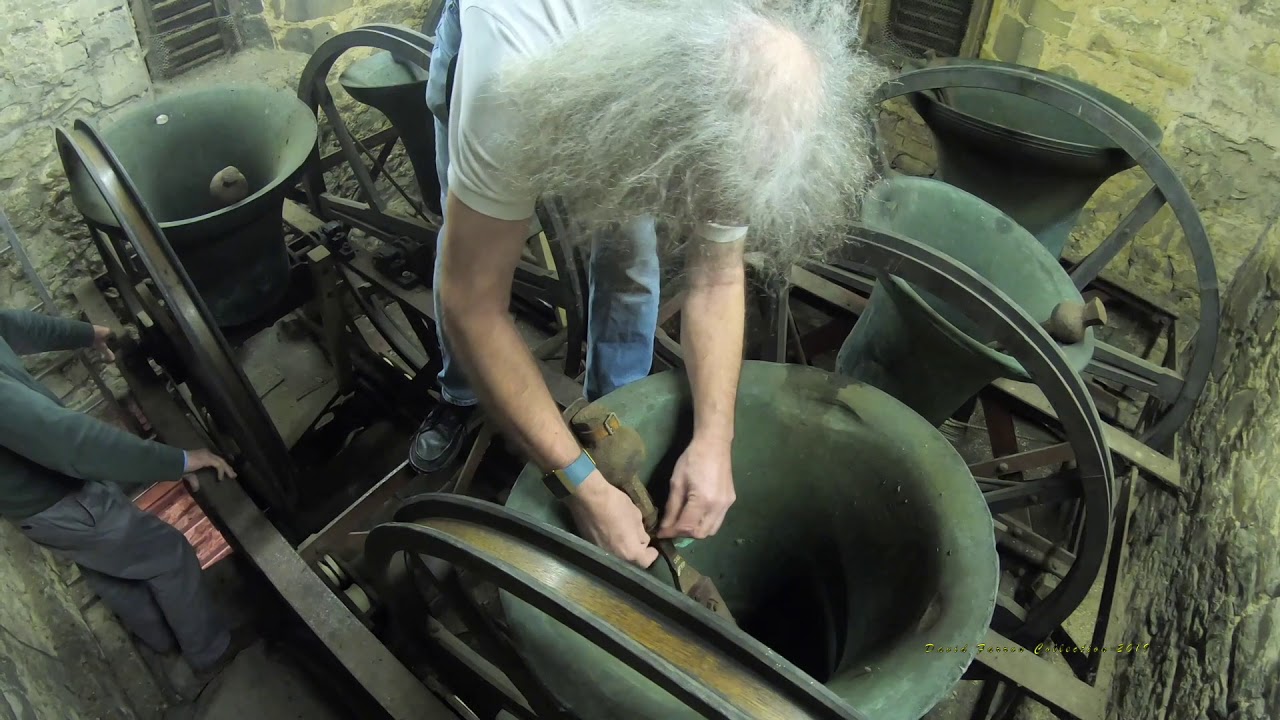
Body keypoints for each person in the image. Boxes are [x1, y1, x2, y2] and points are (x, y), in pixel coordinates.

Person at [410, 0, 884, 565]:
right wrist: (580, 488)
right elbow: (473, 301)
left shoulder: (740, 66)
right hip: (512, 40)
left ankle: (617, 410)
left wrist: (715, 440)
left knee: (632, 260)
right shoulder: (507, 66)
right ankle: (459, 392)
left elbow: (716, 273)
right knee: (466, 256)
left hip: (641, 62)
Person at [0, 309, 243, 680]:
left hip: (35, 510)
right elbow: (71, 444)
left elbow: (12, 326)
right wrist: (177, 461)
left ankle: (162, 641)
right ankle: (210, 653)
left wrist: (84, 334)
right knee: (168, 556)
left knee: (106, 568)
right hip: (62, 501)